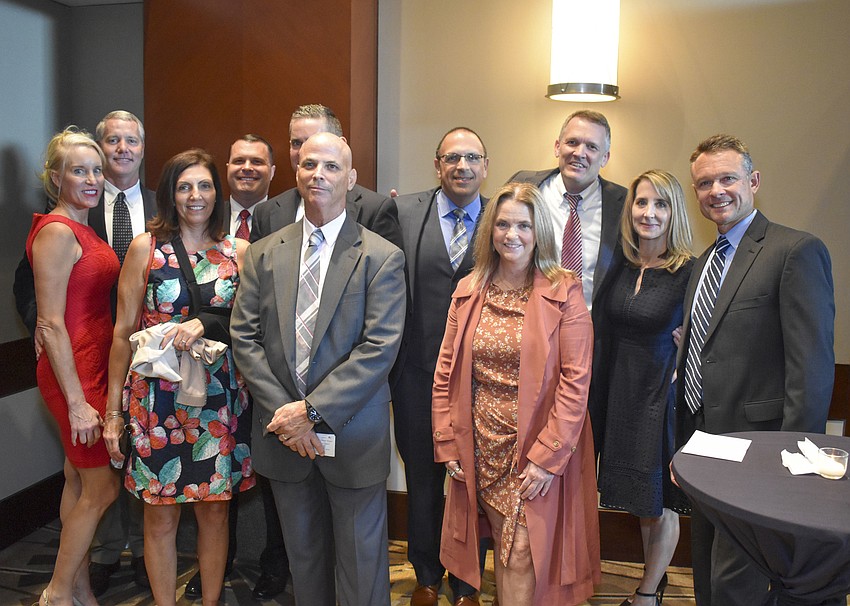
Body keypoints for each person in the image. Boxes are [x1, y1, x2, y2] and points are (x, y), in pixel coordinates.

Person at [231, 132, 406, 606]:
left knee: (361, 568)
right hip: (284, 437)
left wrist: (311, 412)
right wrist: (288, 415)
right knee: (304, 564)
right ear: (297, 174)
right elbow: (245, 337)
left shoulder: (380, 256)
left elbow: (379, 348)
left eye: (331, 166)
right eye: (309, 165)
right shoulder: (264, 252)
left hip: (352, 435)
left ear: (350, 179)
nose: (318, 175)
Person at [674, 135, 835, 606]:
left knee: (738, 581)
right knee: (707, 573)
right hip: (702, 444)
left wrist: (792, 462)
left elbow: (811, 368)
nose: (716, 191)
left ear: (754, 181)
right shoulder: (703, 264)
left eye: (727, 178)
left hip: (761, 453)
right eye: (705, 183)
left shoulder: (794, 251)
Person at [432, 182, 600, 606]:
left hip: (535, 449)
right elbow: (445, 373)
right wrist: (446, 440)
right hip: (480, 445)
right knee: (503, 548)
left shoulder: (565, 291)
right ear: (490, 230)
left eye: (523, 225)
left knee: (522, 549)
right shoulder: (468, 290)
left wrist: (547, 457)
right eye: (503, 224)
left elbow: (575, 382)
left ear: (539, 231)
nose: (512, 234)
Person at [103, 149, 255, 606]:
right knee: (160, 516)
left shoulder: (238, 252)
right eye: (184, 186)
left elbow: (252, 326)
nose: (195, 195)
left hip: (219, 402)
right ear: (170, 194)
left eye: (204, 185)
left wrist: (206, 325)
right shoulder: (146, 249)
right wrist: (113, 413)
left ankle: (211, 601)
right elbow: (122, 334)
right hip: (157, 402)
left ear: (217, 193)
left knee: (215, 513)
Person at [391, 126, 489, 606]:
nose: (461, 166)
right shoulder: (404, 212)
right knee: (422, 480)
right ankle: (426, 576)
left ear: (486, 167)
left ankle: (468, 582)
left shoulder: (504, 218)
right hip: (415, 376)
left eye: (472, 158)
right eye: (452, 158)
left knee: (474, 482)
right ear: (437, 166)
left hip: (481, 382)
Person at [178, 134, 277, 601]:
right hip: (191, 381)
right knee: (215, 483)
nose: (247, 168)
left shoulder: (284, 215)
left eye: (257, 161)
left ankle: (276, 565)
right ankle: (217, 568)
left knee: (264, 476)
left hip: (261, 374)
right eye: (238, 160)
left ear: (273, 170)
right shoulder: (204, 224)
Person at [26, 127, 121, 606]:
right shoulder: (58, 231)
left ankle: (79, 589)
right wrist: (79, 403)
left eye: (96, 171)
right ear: (56, 177)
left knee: (77, 479)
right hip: (75, 377)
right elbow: (49, 322)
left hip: (93, 367)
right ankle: (58, 593)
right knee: (102, 488)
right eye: (78, 171)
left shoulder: (82, 227)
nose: (91, 179)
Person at [591, 170, 694, 606]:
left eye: (661, 204)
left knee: (661, 500)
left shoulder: (688, 270)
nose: (649, 213)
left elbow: (708, 333)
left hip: (659, 398)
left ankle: (647, 594)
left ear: (674, 213)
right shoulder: (620, 263)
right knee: (641, 498)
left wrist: (687, 352)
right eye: (641, 202)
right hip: (618, 393)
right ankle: (654, 580)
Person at [508, 109, 626, 311]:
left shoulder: (624, 204)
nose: (579, 153)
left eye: (591, 147)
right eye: (572, 142)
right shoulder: (525, 185)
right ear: (557, 147)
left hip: (592, 325)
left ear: (605, 158)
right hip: (528, 318)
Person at [251, 103, 402, 250]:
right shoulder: (265, 213)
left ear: (341, 144)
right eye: (296, 143)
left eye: (314, 140)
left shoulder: (375, 210)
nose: (304, 150)